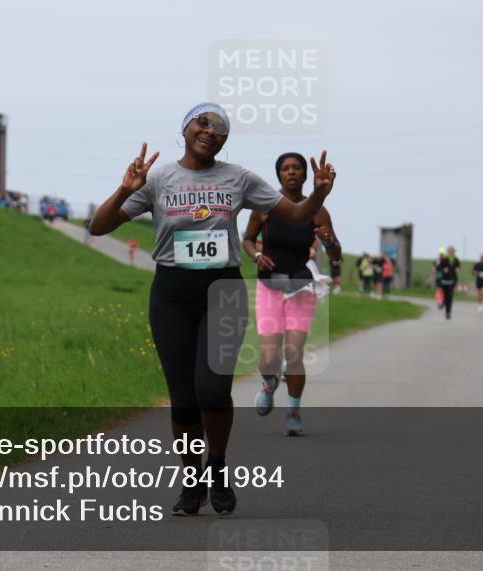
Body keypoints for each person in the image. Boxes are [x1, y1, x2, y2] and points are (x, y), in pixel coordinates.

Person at [88, 103, 337, 516]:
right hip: (171, 292)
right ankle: (191, 483)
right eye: (202, 123)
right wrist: (126, 189)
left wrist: (319, 196)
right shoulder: (158, 178)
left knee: (212, 390)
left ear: (224, 140)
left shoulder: (238, 178)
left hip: (221, 290)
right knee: (184, 399)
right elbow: (99, 227)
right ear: (185, 128)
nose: (210, 131)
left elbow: (293, 214)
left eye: (220, 128)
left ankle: (217, 469)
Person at [243, 152, 342, 437]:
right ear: (279, 175)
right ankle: (269, 383)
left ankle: (293, 411)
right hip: (269, 286)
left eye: (297, 168)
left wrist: (330, 241)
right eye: (285, 169)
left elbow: (336, 255)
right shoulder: (264, 207)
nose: (291, 173)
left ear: (304, 174)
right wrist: (257, 254)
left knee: (294, 353)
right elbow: (248, 239)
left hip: (300, 287)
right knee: (268, 358)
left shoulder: (318, 210)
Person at [438, 245, 460, 319]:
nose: (451, 252)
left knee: (450, 296)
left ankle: (448, 313)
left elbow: (458, 269)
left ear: (454, 252)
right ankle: (443, 303)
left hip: (452, 280)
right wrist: (443, 269)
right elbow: (439, 267)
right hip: (444, 280)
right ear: (448, 252)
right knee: (445, 295)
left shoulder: (456, 260)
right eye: (450, 251)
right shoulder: (444, 259)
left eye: (452, 251)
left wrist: (457, 271)